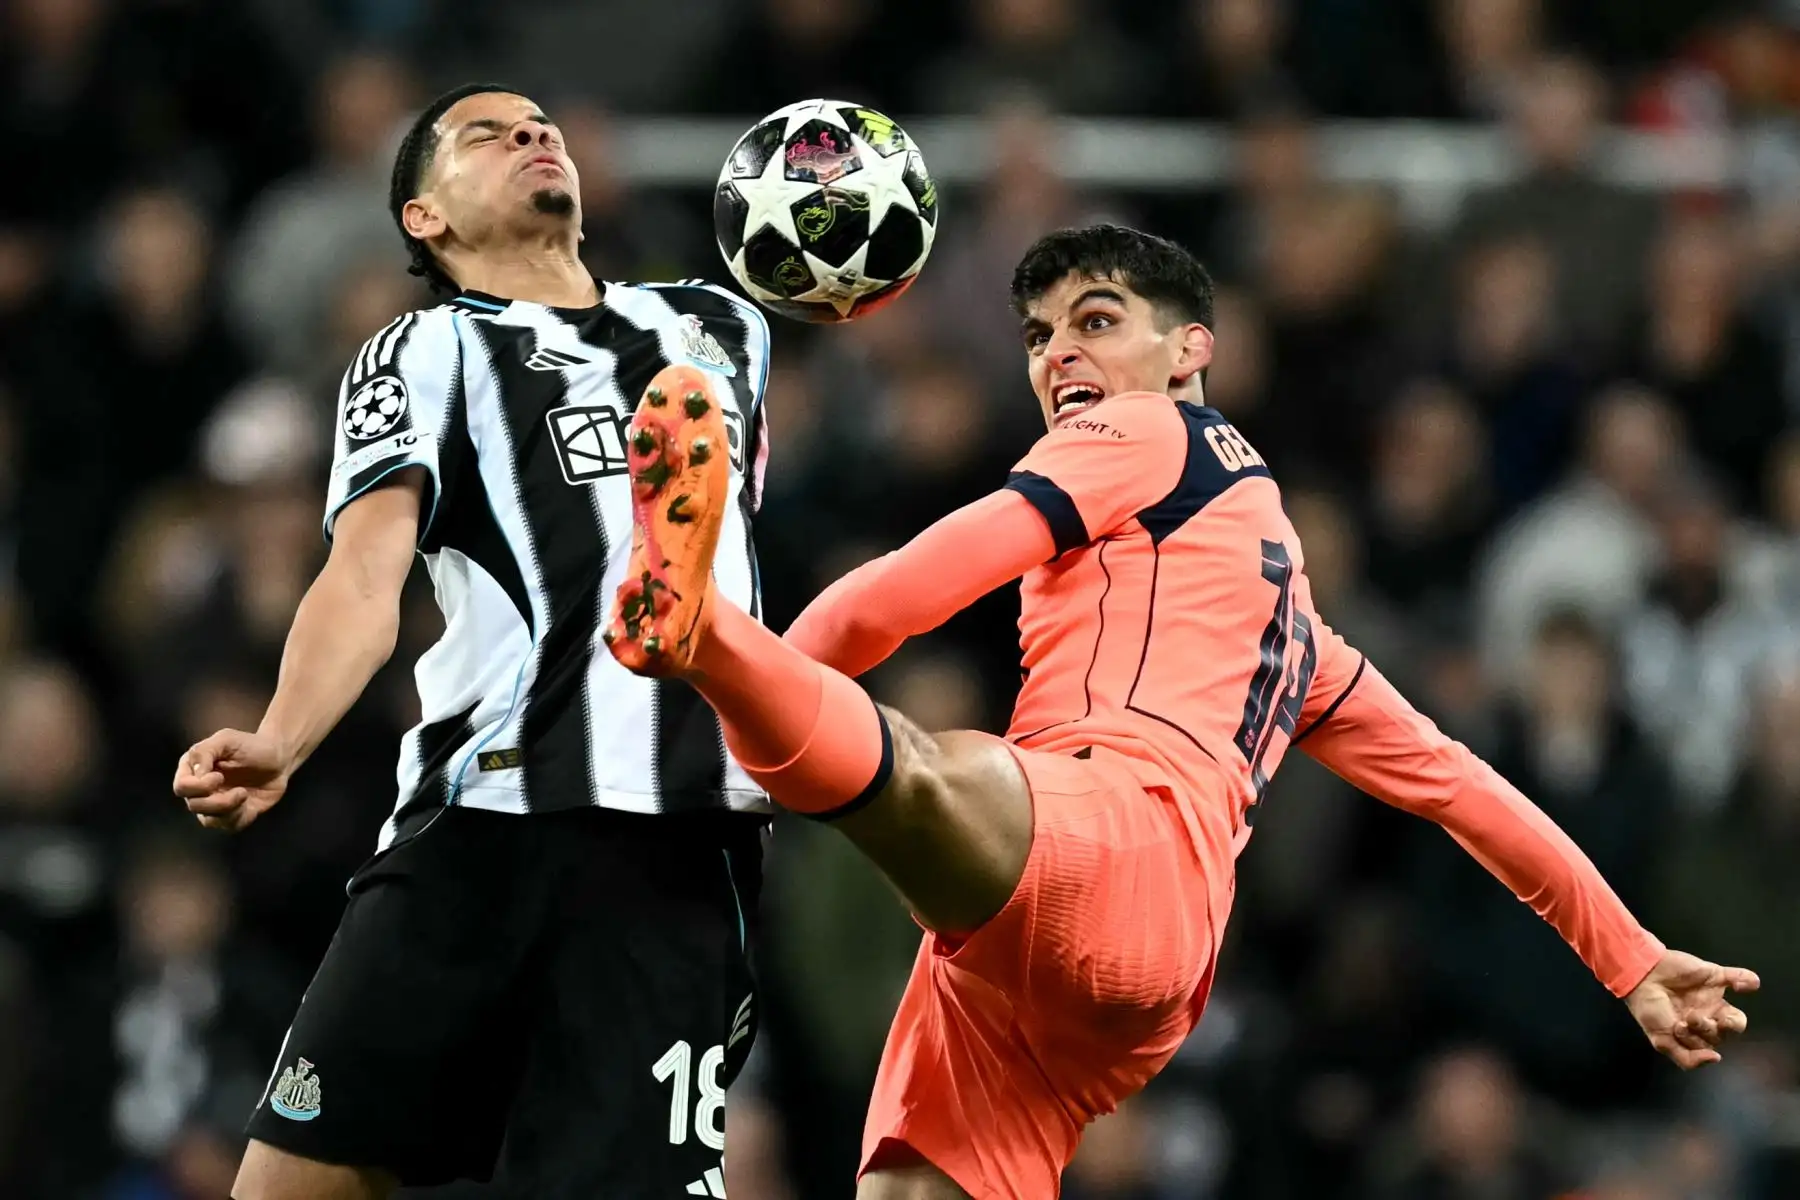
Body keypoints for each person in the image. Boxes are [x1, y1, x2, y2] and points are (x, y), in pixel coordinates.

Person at [604, 224, 1760, 1200]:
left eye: (1095, 321)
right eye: (1040, 337)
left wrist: (747, 699)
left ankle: (707, 638)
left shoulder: (1155, 431)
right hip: (1115, 972)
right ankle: (724, 673)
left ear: (1190, 349)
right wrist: (1634, 959)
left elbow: (910, 585)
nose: (1059, 354)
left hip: (1113, 836)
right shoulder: (1300, 635)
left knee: (928, 768)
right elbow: (1462, 789)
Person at [173, 83, 772, 1200]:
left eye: (541, 125)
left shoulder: (717, 328)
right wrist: (283, 738)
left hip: (676, 850)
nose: (533, 134)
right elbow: (363, 574)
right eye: (486, 135)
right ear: (424, 218)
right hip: (481, 828)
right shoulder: (423, 352)